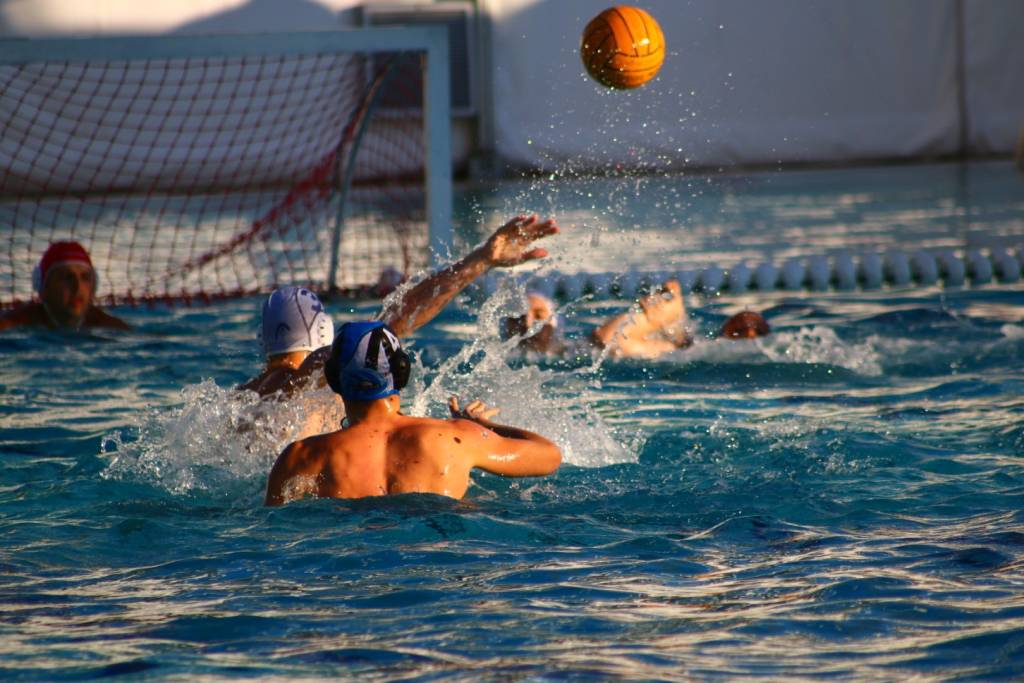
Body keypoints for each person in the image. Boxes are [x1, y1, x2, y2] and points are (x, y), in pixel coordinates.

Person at [264, 321, 561, 505]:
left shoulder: (301, 456)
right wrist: (484, 425)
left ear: (333, 379)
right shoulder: (456, 437)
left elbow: (273, 532)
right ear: (401, 373)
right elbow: (548, 456)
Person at [502, 279, 691, 359]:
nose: (527, 325)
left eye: (538, 315)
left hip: (632, 346)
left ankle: (669, 319)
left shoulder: (573, 351)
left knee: (607, 341)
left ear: (554, 323)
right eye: (518, 317)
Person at [0, 241, 130, 332]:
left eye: (85, 278)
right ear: (43, 286)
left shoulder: (110, 326)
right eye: (67, 277)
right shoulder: (14, 324)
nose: (77, 287)